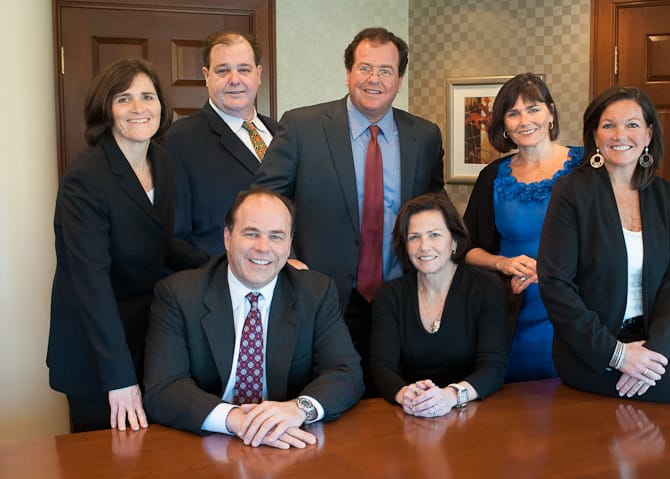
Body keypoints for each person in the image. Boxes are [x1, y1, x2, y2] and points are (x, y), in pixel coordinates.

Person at [252, 27, 445, 390]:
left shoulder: (425, 135)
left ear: (400, 79)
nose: (375, 79)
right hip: (320, 295)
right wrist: (285, 255)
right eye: (365, 68)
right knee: (325, 400)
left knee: (392, 401)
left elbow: (436, 210)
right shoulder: (302, 126)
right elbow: (263, 201)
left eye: (386, 70)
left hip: (400, 295)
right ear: (348, 73)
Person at [538, 86, 670, 418]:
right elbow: (554, 283)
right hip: (590, 353)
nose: (621, 135)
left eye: (633, 125)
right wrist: (618, 356)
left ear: (649, 133)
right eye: (609, 125)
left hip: (647, 346)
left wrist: (654, 354)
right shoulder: (572, 192)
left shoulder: (667, 197)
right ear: (595, 134)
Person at [47, 59, 209, 433]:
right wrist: (118, 379)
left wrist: (226, 265)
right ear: (106, 109)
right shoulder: (85, 179)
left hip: (146, 337)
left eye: (147, 96)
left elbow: (162, 241)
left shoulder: (162, 161)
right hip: (97, 353)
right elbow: (91, 284)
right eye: (124, 98)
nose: (139, 108)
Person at [143, 187, 364, 448]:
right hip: (208, 443)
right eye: (251, 233)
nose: (263, 248)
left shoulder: (316, 293)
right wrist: (237, 419)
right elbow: (164, 387)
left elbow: (345, 372)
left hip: (290, 443)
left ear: (289, 243)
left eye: (276, 236)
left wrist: (297, 409)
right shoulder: (178, 294)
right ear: (227, 237)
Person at [463, 73, 583, 382]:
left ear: (551, 114)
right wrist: (502, 263)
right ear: (503, 123)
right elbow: (465, 250)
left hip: (574, 307)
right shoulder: (492, 176)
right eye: (513, 113)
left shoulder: (587, 168)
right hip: (513, 310)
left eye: (533, 109)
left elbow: (608, 243)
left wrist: (549, 271)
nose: (524, 120)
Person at [369, 193, 508, 417]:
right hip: (410, 414)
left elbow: (494, 366)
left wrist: (451, 396)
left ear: (454, 240)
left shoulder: (485, 287)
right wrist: (405, 394)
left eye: (434, 235)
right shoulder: (390, 295)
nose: (424, 246)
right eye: (414, 237)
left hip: (474, 413)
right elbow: (380, 367)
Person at [164, 30, 279, 257]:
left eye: (244, 69)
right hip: (218, 282)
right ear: (206, 76)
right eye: (223, 70)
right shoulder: (179, 140)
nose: (234, 80)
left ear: (258, 74)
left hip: (285, 280)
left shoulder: (282, 132)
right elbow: (175, 235)